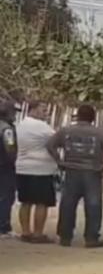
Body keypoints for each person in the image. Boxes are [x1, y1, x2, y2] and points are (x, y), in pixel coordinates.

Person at [47, 104, 103, 248]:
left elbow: (50, 145)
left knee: (68, 204)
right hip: (92, 172)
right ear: (93, 117)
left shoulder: (66, 131)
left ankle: (65, 237)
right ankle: (91, 238)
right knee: (93, 205)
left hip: (71, 171)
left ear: (78, 116)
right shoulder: (98, 133)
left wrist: (59, 161)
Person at [14, 100, 58, 243]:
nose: (46, 112)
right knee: (42, 202)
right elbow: (58, 140)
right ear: (33, 109)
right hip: (41, 169)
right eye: (43, 109)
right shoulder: (42, 127)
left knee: (25, 201)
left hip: (22, 167)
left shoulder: (20, 125)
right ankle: (38, 233)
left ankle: (26, 232)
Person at [0, 99, 17, 239]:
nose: (15, 116)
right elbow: (10, 148)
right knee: (6, 196)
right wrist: (13, 160)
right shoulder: (6, 129)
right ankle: (3, 227)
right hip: (4, 167)